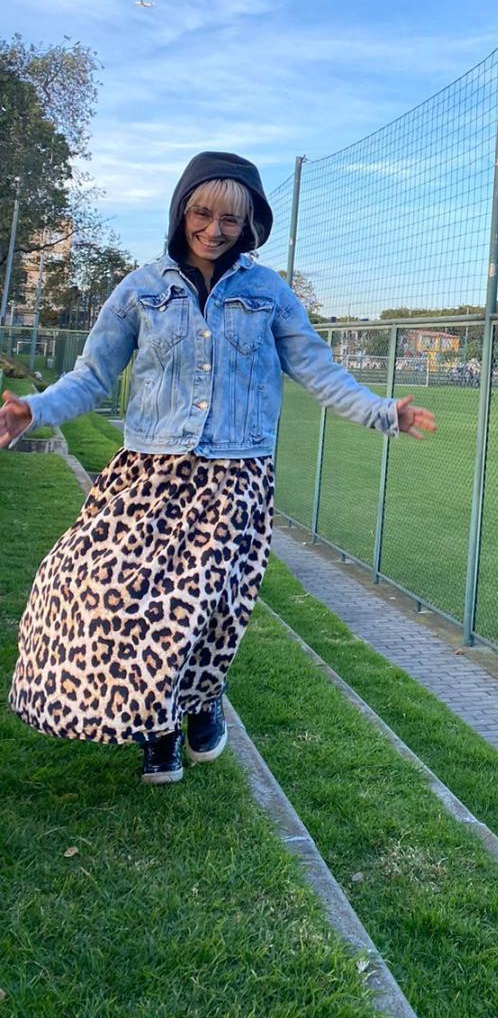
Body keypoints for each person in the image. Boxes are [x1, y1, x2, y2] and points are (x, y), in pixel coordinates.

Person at [1, 152, 435, 785]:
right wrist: (33, 411)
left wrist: (383, 412)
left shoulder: (268, 293)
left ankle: (199, 704)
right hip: (148, 473)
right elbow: (92, 376)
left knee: (205, 607)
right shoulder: (141, 289)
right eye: (202, 213)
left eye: (231, 218)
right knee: (91, 586)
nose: (214, 229)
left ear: (248, 223)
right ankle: (158, 729)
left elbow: (317, 369)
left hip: (234, 478)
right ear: (182, 211)